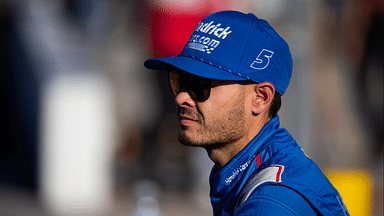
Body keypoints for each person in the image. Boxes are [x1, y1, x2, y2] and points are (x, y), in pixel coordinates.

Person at [144, 10, 350, 216]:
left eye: (200, 85)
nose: (181, 97)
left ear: (260, 98)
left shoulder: (270, 205)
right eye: (179, 81)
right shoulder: (262, 167)